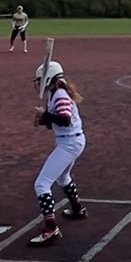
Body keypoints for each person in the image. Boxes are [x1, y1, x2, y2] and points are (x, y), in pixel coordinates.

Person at [27, 59, 91, 247]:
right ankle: (77, 209)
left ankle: (51, 229)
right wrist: (42, 119)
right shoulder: (54, 93)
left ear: (48, 78)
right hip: (71, 141)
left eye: (40, 79)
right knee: (63, 178)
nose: (38, 83)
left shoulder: (60, 94)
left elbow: (64, 120)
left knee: (41, 184)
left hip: (69, 143)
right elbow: (55, 122)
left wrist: (44, 115)